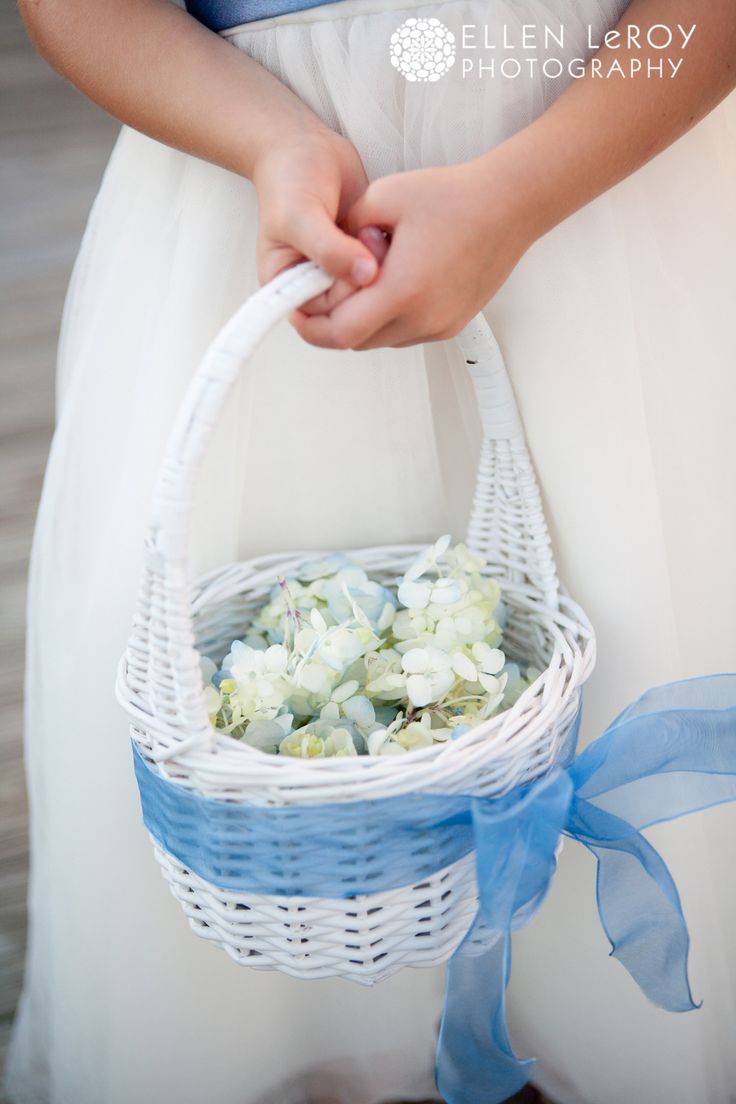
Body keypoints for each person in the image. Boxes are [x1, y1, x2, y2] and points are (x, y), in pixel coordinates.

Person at [6, 0, 736, 1101]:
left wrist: (519, 195)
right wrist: (274, 140)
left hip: (600, 167)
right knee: (290, 803)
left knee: (631, 614)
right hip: (256, 205)